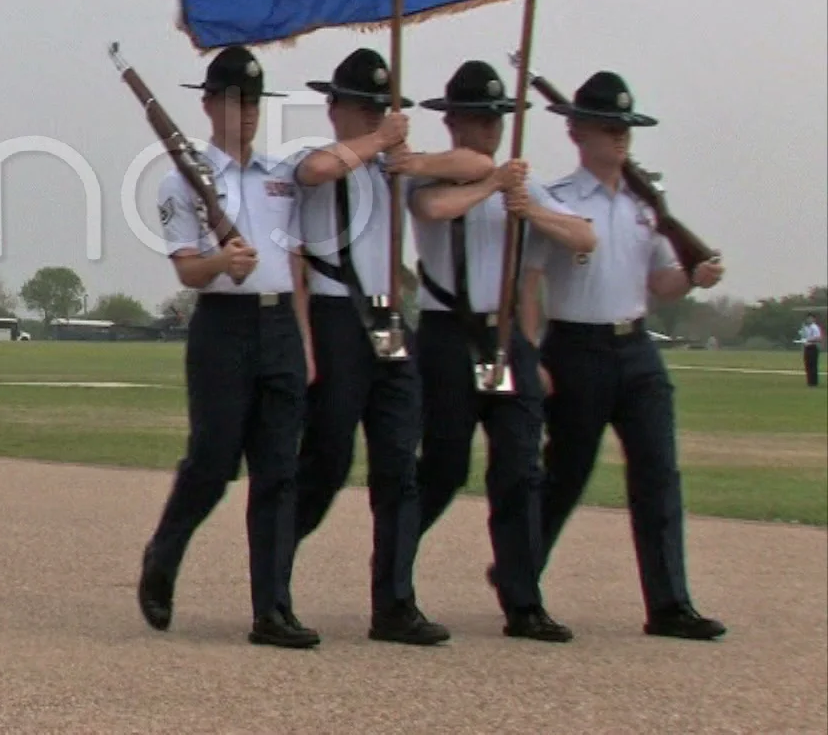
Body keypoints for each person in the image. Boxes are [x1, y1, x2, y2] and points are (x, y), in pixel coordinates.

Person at [291, 47, 492, 647]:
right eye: (364, 107)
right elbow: (321, 171)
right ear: (334, 109)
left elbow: (475, 161)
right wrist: (379, 143)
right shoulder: (317, 156)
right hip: (334, 314)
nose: (375, 115)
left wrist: (408, 153)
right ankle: (272, 574)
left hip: (386, 319)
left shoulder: (392, 168)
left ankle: (395, 602)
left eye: (382, 107)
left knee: (400, 466)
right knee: (326, 461)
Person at [520, 71, 727, 641]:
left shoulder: (645, 205)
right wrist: (531, 351)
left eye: (625, 129)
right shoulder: (557, 200)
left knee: (659, 473)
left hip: (635, 347)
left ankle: (669, 602)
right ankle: (521, 585)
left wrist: (694, 274)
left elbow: (662, 284)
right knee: (565, 473)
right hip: (576, 346)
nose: (620, 139)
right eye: (609, 128)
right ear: (578, 133)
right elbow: (530, 280)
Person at [408, 60, 597, 644]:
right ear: (455, 122)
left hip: (503, 336)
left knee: (520, 467)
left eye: (496, 119)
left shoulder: (519, 187)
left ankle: (522, 597)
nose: (488, 130)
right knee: (442, 466)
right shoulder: (433, 180)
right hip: (446, 332)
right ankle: (392, 574)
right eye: (478, 119)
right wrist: (491, 185)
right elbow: (433, 211)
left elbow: (584, 236)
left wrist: (530, 208)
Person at [134, 47, 313, 648]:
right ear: (209, 105)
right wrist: (221, 260)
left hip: (280, 324)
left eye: (255, 102)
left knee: (279, 472)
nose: (247, 113)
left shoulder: (283, 180)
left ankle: (273, 609)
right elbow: (188, 271)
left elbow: (296, 264)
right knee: (213, 462)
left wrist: (304, 342)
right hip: (223, 327)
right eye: (235, 101)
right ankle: (164, 550)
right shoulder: (179, 180)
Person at [800, 316, 822, 389]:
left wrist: (809, 340)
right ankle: (809, 382)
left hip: (813, 347)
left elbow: (818, 338)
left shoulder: (815, 327)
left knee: (813, 366)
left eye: (810, 318)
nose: (808, 320)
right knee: (808, 365)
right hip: (807, 347)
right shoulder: (806, 327)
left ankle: (814, 383)